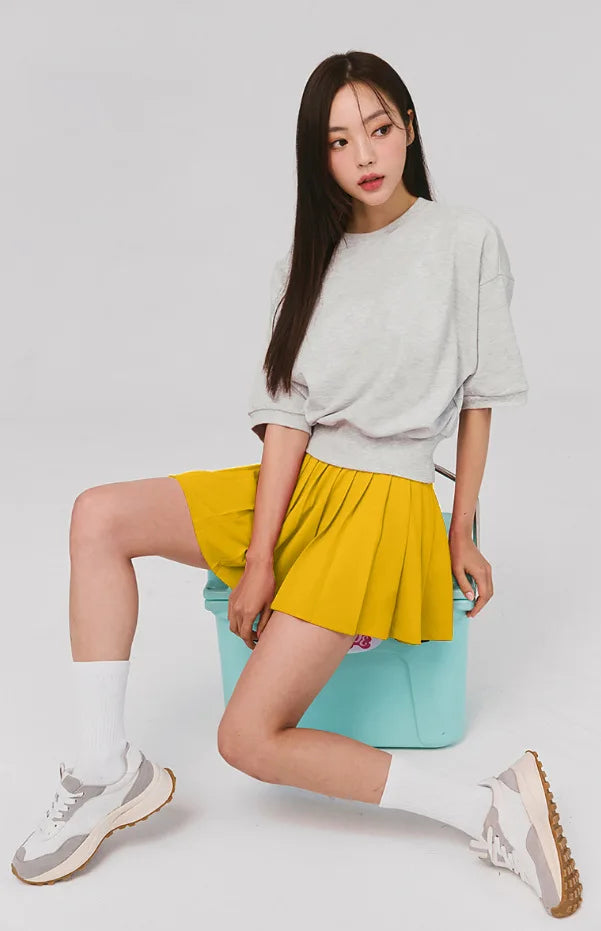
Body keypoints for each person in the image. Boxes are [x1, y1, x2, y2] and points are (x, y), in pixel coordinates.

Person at [10, 50, 582, 918]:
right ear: (318, 158)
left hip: (385, 502)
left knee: (245, 738)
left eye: (378, 128)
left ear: (409, 128)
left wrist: (460, 528)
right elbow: (288, 418)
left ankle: (486, 809)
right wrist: (261, 557)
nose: (365, 154)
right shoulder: (309, 259)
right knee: (99, 516)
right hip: (307, 481)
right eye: (339, 141)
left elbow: (479, 399)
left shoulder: (463, 239)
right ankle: (104, 769)